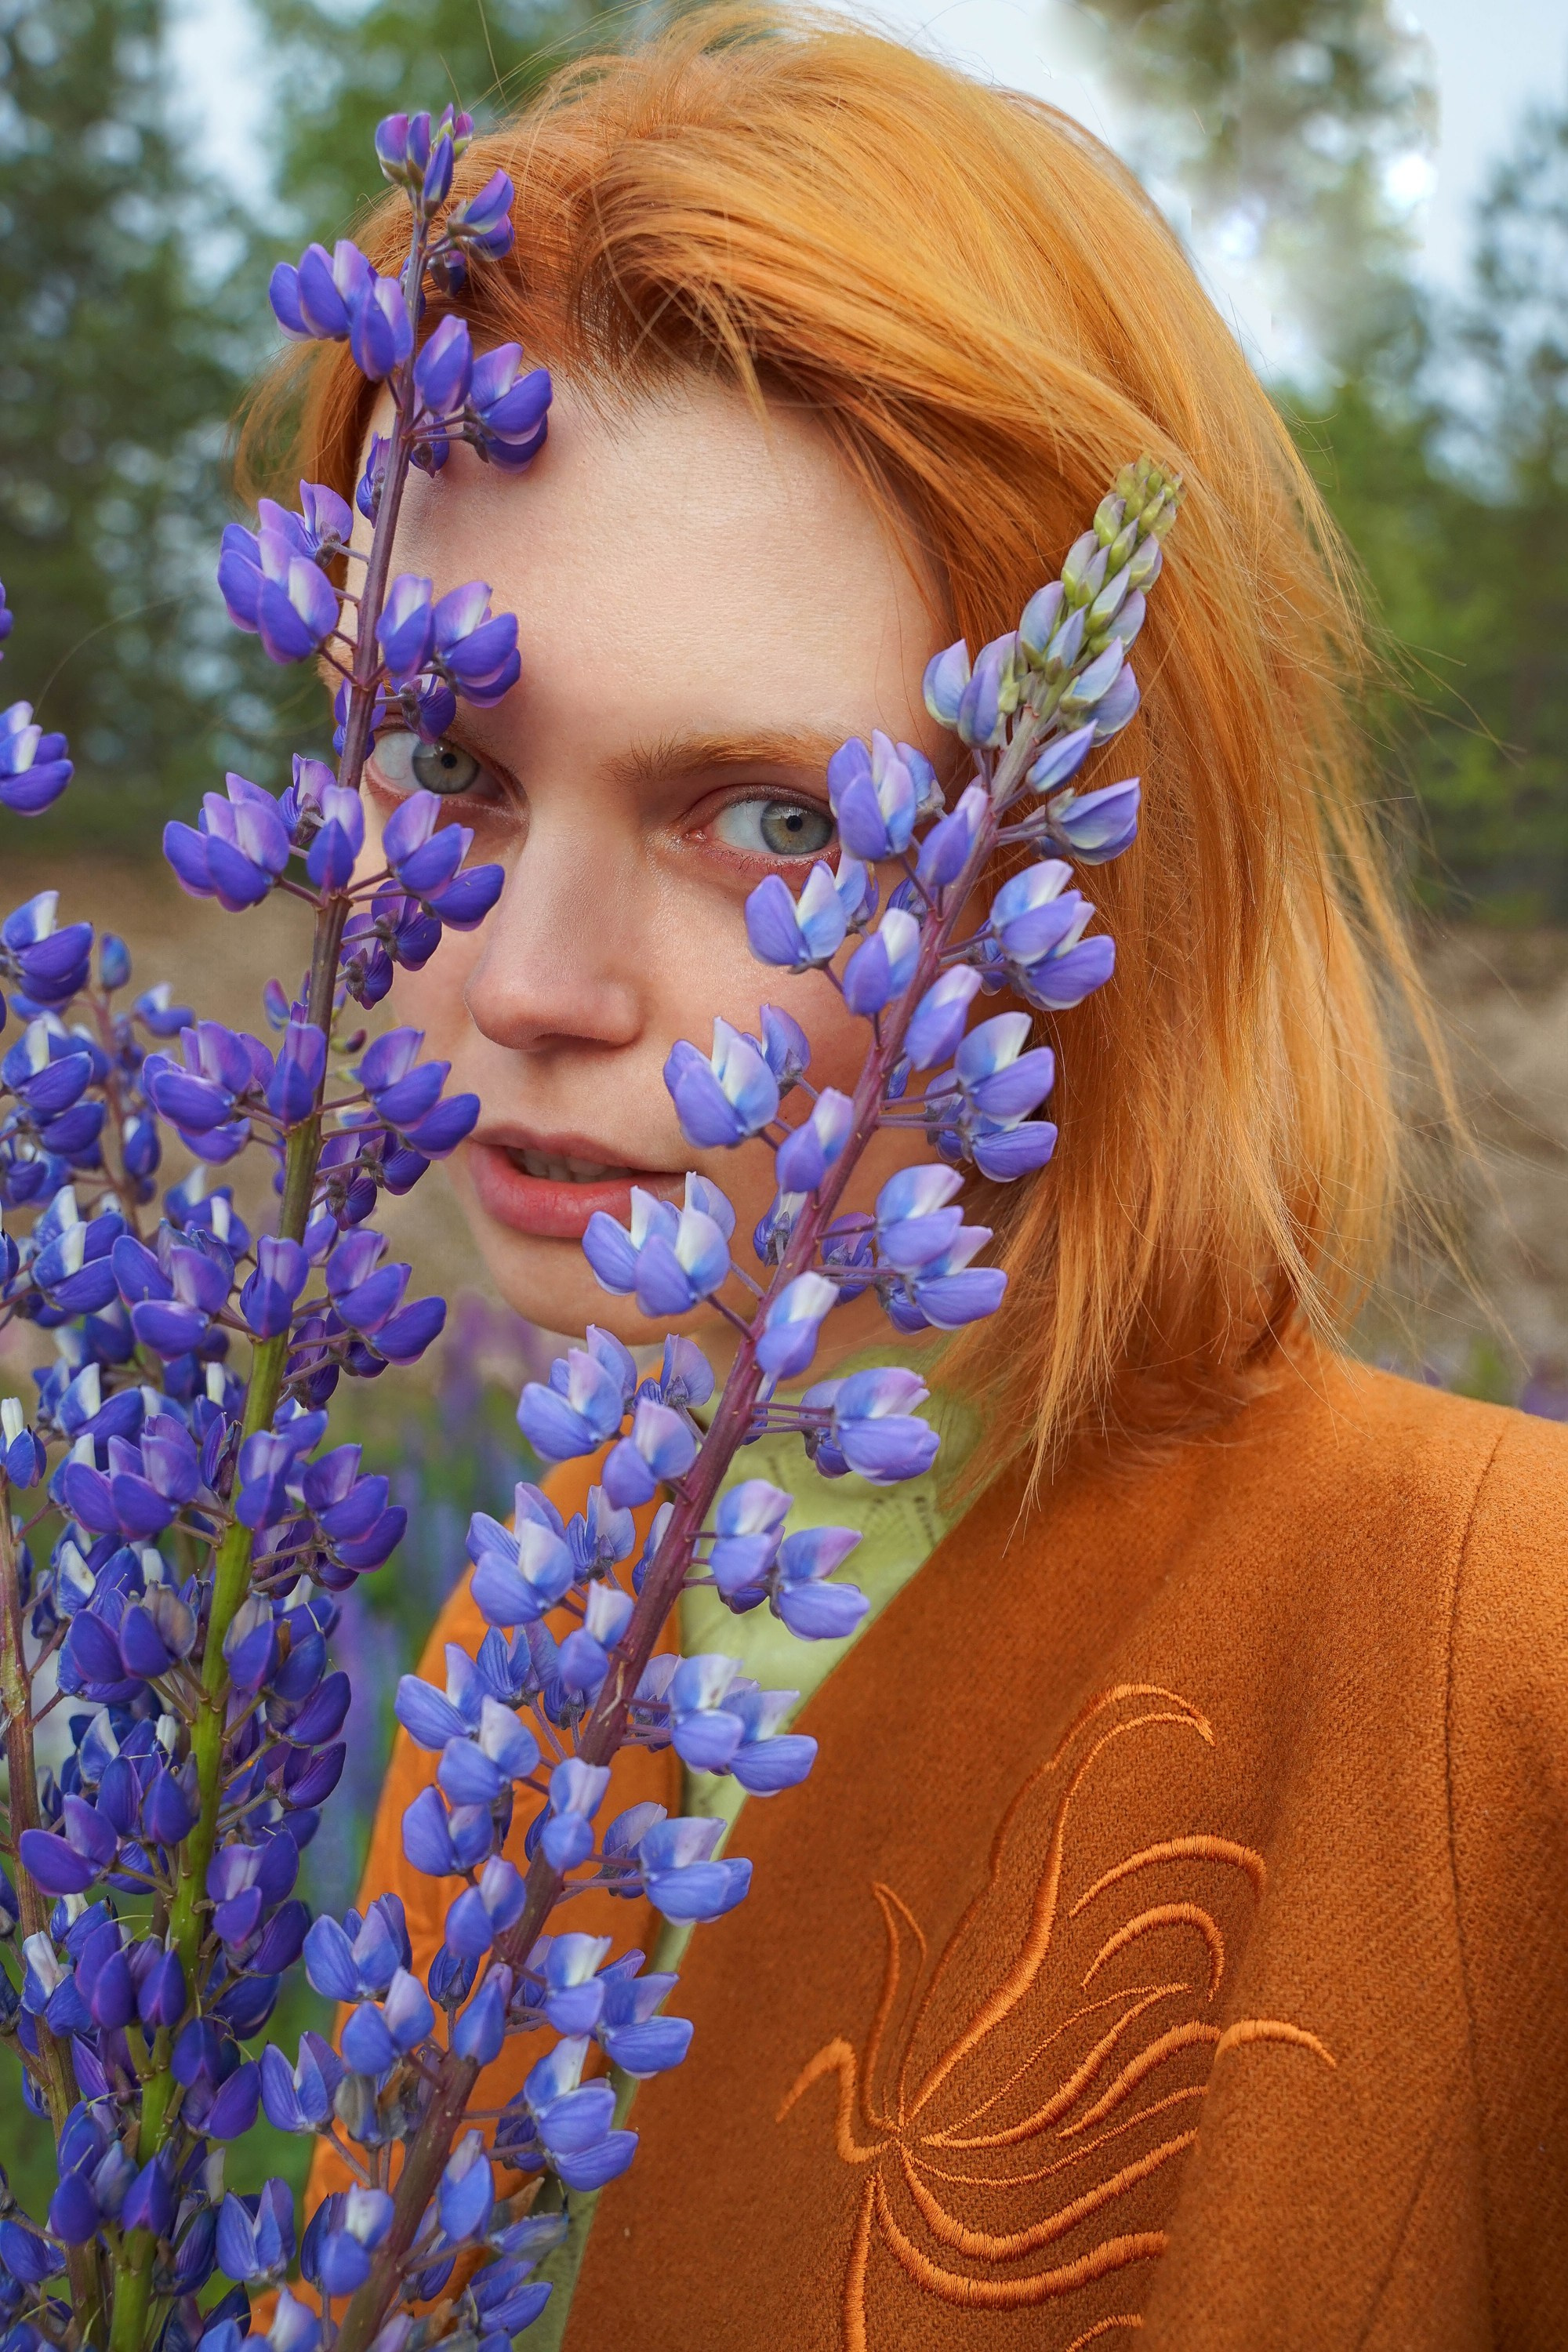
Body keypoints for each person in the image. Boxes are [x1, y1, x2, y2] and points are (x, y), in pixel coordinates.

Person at [267, 10, 1568, 2343]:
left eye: (770, 815)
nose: (525, 982)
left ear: (1121, 880)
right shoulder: (532, 1626)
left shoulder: (1510, 1646)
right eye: (448, 771)